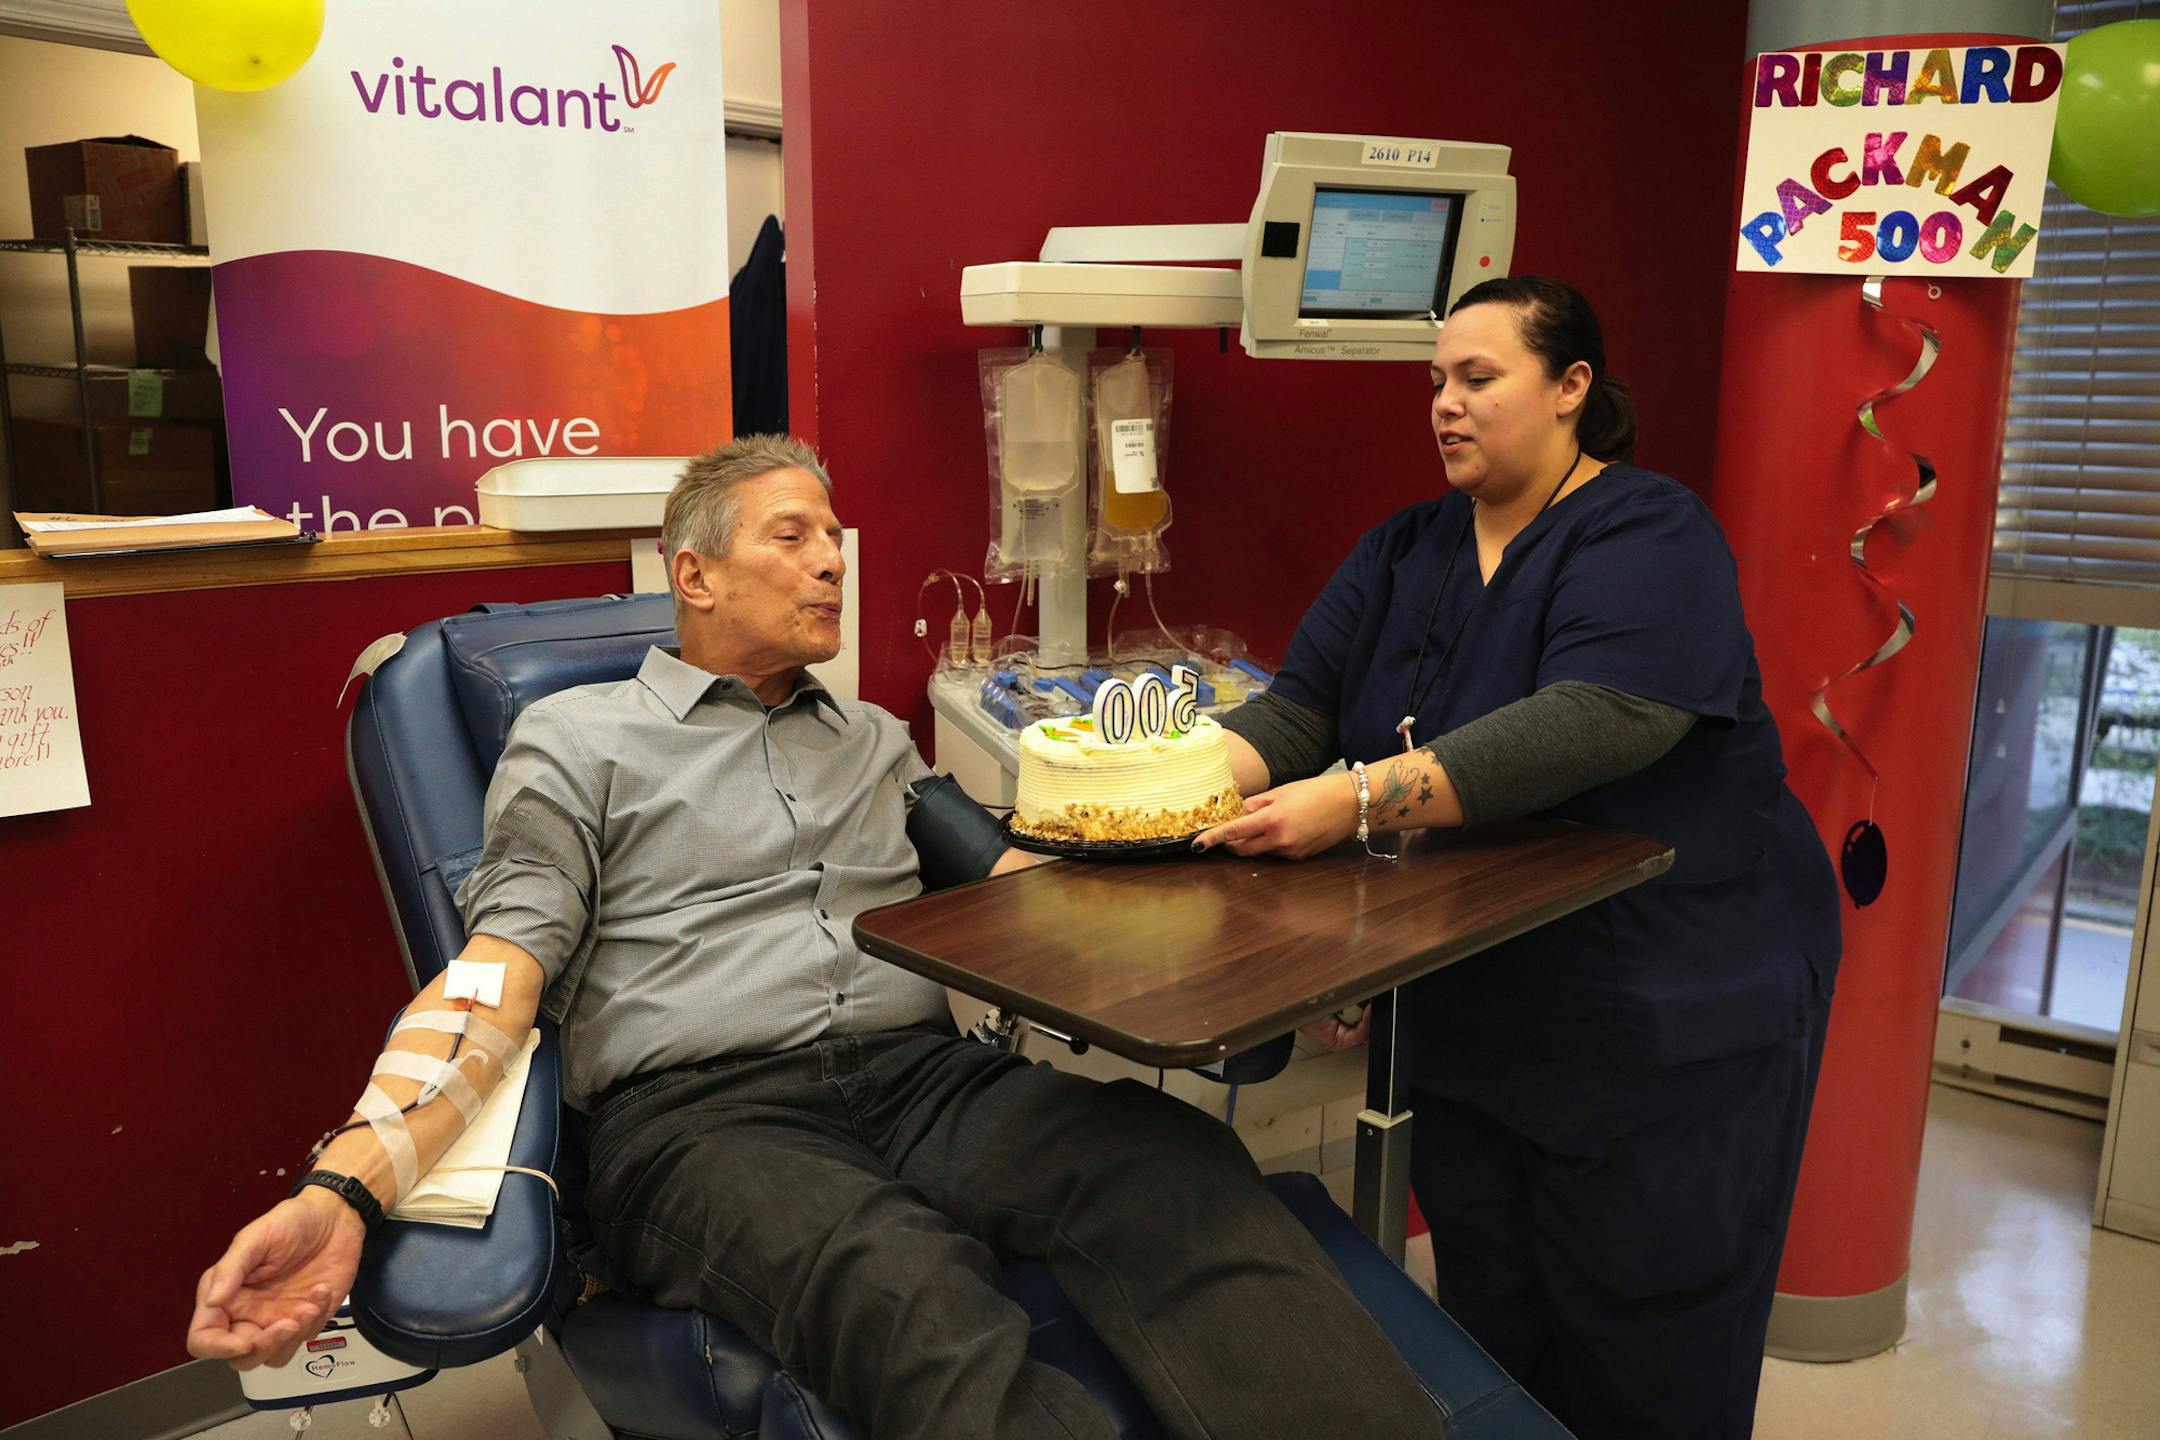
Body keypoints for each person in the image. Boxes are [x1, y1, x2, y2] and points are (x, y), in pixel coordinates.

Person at [184, 435, 1447, 1440]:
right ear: (694, 576)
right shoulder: (577, 740)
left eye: (836, 538)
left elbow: (1036, 895)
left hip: (925, 1082)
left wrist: (1289, 955)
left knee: (1172, 1166)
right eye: (792, 537)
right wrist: (348, 1184)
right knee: (907, 1287)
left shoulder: (875, 741)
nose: (833, 561)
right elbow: (494, 976)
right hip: (704, 1118)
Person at [1195, 276, 1842, 1440]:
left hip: (1667, 998)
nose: (1445, 403)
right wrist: (1151, 788)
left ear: (1571, 387)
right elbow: (1296, 713)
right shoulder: (1403, 551)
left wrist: (1356, 800)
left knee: (1649, 1332)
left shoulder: (1652, 534)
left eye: (1478, 378)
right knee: (1493, 1316)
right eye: (1436, 381)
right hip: (1478, 998)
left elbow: (1601, 717)